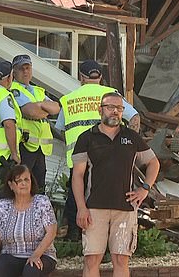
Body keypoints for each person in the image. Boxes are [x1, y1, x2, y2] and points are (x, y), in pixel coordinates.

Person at [72, 92, 160, 277]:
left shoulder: (132, 137)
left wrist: (145, 189)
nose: (115, 112)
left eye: (119, 108)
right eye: (110, 107)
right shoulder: (86, 138)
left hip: (125, 208)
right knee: (91, 259)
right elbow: (78, 176)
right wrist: (81, 207)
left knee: (121, 260)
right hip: (94, 207)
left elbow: (154, 163)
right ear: (100, 110)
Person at [56, 60, 140, 241]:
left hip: (78, 159)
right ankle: (107, 241)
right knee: (104, 200)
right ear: (100, 77)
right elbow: (134, 117)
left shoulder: (68, 99)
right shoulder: (110, 96)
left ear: (81, 77)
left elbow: (61, 129)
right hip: (108, 159)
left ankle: (74, 238)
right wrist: (128, 145)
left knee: (76, 197)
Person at [0, 165, 58, 277]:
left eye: (26, 180)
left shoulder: (42, 202)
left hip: (42, 254)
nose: (23, 183)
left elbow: (51, 232)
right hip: (11, 254)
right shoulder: (3, 205)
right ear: (11, 185)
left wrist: (36, 255)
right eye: (19, 180)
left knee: (31, 271)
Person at [10, 54, 61, 192]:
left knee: (39, 188)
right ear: (14, 72)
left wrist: (39, 106)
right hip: (24, 146)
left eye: (28, 68)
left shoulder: (37, 90)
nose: (25, 71)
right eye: (21, 69)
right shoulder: (14, 90)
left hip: (40, 148)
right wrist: (43, 107)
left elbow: (56, 108)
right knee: (23, 185)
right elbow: (31, 112)